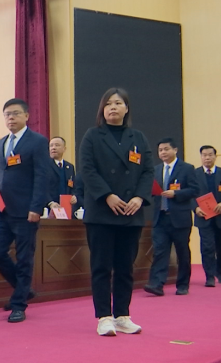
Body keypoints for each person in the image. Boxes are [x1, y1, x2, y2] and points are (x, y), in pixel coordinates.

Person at [79, 87, 153, 336]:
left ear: (126, 108)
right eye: (108, 103)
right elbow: (87, 169)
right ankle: (104, 317)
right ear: (102, 109)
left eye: (118, 103)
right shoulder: (92, 135)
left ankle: (122, 315)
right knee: (101, 266)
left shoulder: (138, 137)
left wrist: (139, 197)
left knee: (125, 267)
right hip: (101, 211)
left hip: (131, 211)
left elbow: (148, 171)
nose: (113, 107)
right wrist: (107, 195)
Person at [0, 98, 50, 323]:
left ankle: (18, 305)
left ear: (26, 116)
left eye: (15, 113)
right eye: (7, 115)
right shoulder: (1, 143)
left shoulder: (37, 142)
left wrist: (36, 207)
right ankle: (23, 289)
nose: (11, 118)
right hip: (3, 210)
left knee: (24, 258)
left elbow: (42, 176)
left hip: (26, 211)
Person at [144, 138, 197, 297]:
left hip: (180, 218)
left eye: (166, 149)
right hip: (160, 218)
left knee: (182, 253)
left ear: (175, 150)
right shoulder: (155, 170)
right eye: (160, 150)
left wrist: (176, 193)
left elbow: (195, 190)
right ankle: (156, 284)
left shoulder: (187, 168)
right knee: (160, 252)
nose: (163, 153)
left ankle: (182, 285)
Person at [193, 145, 221, 286]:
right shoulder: (194, 174)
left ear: (215, 156)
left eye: (210, 155)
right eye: (204, 155)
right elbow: (190, 194)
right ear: (201, 157)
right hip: (204, 217)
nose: (207, 158)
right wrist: (195, 208)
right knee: (207, 247)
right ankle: (209, 276)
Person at [46, 136, 76, 214]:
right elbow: (40, 188)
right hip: (49, 208)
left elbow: (73, 186)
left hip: (66, 208)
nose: (53, 148)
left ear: (64, 149)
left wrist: (74, 196)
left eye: (57, 145)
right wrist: (50, 202)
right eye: (51, 146)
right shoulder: (44, 165)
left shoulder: (70, 167)